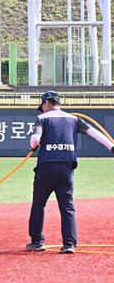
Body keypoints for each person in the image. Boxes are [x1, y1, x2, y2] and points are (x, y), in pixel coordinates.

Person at [25, 90, 113, 254]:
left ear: (48, 103)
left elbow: (35, 139)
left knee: (39, 204)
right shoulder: (74, 119)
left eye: (43, 105)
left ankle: (37, 241)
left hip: (46, 166)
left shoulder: (42, 119)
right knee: (67, 206)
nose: (42, 109)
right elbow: (95, 133)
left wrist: (32, 147)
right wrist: (111, 147)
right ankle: (69, 244)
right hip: (66, 167)